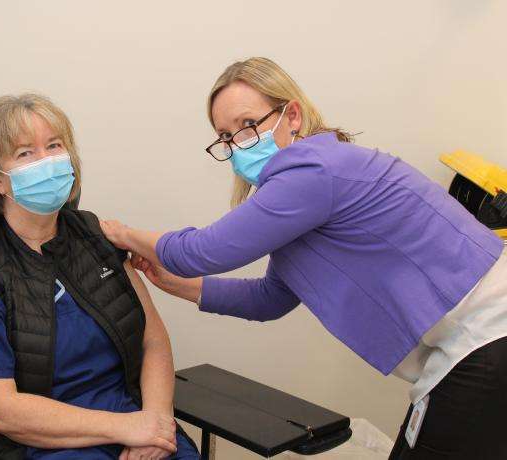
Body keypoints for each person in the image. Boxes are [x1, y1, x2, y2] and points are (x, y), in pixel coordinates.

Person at [100, 57, 507, 459]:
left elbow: (203, 251)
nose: (237, 144)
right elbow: (270, 298)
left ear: (291, 115)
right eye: (225, 136)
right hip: (467, 348)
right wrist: (171, 282)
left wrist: (122, 234)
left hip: (487, 335)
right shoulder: (300, 200)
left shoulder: (314, 170)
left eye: (247, 125)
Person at [0, 94, 199, 460]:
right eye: (26, 153)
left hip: (135, 424)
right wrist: (123, 428)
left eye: (54, 146)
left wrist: (157, 424)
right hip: (39, 445)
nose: (47, 161)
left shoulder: (94, 236)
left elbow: (153, 340)